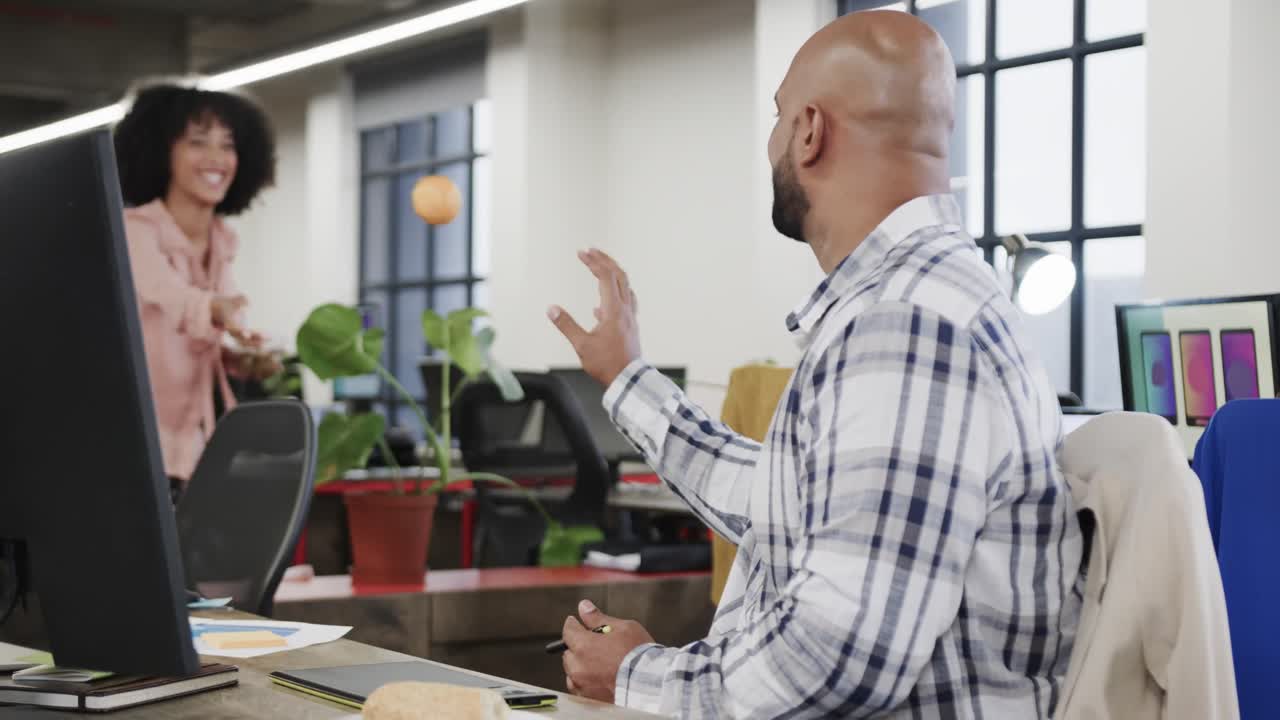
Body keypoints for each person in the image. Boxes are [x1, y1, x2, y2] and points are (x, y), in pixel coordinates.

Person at [547, 10, 1082, 719]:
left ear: (808, 130)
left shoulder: (908, 326)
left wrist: (640, 678)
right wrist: (626, 378)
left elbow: (841, 659)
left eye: (777, 118)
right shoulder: (914, 303)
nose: (772, 140)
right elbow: (783, 504)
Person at [114, 84, 279, 490]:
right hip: (134, 444)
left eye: (228, 146)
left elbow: (194, 340)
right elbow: (173, 299)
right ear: (161, 150)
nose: (216, 159)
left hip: (197, 446)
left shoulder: (222, 240)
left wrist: (237, 358)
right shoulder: (134, 231)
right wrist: (219, 311)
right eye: (198, 143)